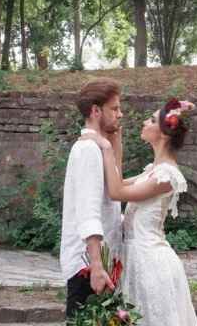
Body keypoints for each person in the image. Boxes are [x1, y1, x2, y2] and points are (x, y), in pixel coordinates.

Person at [88, 97, 197, 326]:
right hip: (136, 259)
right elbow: (117, 182)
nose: (144, 122)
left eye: (150, 120)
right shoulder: (154, 170)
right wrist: (116, 144)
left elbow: (116, 192)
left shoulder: (166, 175)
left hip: (152, 264)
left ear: (164, 133)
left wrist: (106, 147)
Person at [60, 79, 125, 320]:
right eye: (115, 109)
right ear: (96, 111)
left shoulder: (99, 147)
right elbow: (88, 212)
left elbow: (114, 188)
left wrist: (114, 141)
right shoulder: (88, 150)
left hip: (102, 264)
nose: (121, 114)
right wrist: (97, 267)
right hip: (88, 267)